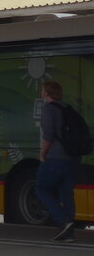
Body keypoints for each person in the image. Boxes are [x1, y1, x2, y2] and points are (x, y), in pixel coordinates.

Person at [37, 80, 78, 242]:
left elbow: (48, 135)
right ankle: (69, 233)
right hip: (72, 158)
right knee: (66, 194)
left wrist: (42, 153)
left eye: (42, 90)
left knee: (41, 188)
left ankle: (63, 221)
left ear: (47, 93)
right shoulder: (67, 108)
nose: (41, 92)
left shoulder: (49, 108)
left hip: (55, 157)